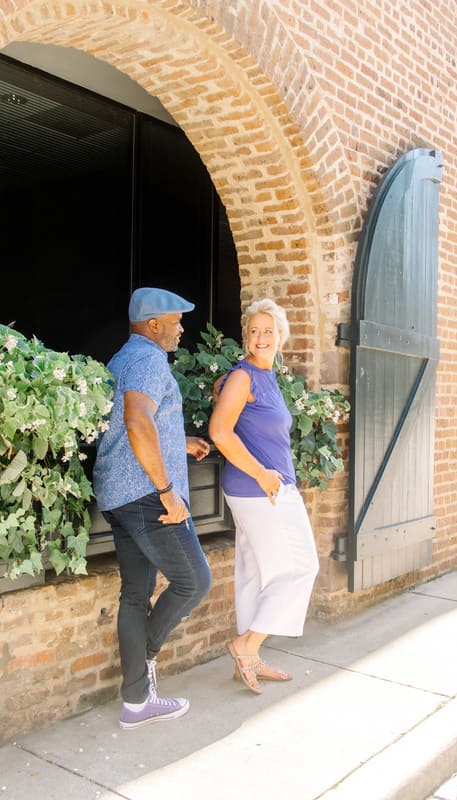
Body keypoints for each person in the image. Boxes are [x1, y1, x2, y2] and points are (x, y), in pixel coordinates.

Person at [93, 287, 213, 729]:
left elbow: (134, 427)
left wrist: (178, 444)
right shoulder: (148, 359)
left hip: (118, 495)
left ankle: (136, 703)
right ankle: (144, 658)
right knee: (195, 581)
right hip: (146, 496)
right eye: (177, 321)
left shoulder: (122, 358)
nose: (182, 328)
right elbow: (136, 420)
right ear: (153, 324)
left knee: (135, 595)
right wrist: (166, 489)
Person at [208, 298, 319, 694]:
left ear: (281, 335)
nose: (260, 338)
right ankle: (246, 644)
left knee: (257, 573)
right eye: (253, 331)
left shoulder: (265, 375)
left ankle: (249, 659)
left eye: (268, 331)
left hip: (263, 488)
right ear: (245, 337)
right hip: (259, 488)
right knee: (302, 566)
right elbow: (220, 431)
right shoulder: (243, 377)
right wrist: (261, 474)